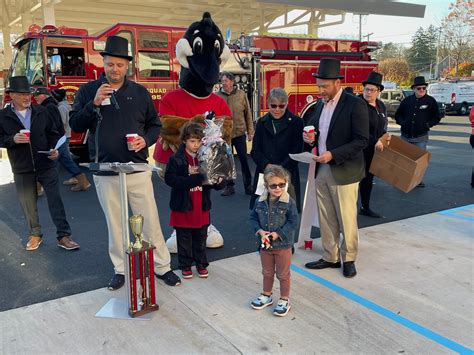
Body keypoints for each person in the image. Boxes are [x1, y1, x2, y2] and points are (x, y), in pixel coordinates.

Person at [69, 36, 180, 290]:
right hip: (105, 170)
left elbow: (155, 125)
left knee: (149, 219)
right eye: (110, 64)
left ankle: (161, 266)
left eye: (119, 65)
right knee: (115, 223)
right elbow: (75, 124)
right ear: (103, 63)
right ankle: (121, 269)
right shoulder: (88, 91)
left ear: (127, 66)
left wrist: (145, 141)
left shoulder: (140, 93)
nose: (114, 69)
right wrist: (94, 102)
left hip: (137, 168)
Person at [303, 58, 368, 278]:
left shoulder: (355, 104)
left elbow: (361, 140)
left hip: (345, 170)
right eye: (319, 85)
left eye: (324, 86)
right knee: (326, 216)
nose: (320, 90)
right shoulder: (321, 104)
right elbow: (319, 132)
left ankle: (349, 258)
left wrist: (333, 154)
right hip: (322, 169)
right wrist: (310, 138)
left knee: (346, 217)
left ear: (337, 83)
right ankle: (330, 256)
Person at [0, 76, 80, 251]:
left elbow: (53, 133)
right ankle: (35, 235)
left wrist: (54, 149)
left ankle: (64, 236)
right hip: (22, 167)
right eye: (22, 94)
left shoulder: (41, 111)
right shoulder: (3, 116)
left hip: (46, 163)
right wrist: (12, 139)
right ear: (11, 95)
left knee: (55, 201)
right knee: (28, 203)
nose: (27, 97)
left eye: (28, 93)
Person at [165, 122, 225, 279]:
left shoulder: (205, 158)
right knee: (183, 239)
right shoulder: (176, 159)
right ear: (184, 140)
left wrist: (220, 180)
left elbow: (215, 185)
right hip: (183, 206)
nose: (196, 144)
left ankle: (201, 264)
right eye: (192, 141)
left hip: (201, 205)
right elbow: (171, 180)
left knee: (200, 237)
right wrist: (194, 177)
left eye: (199, 141)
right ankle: (185, 265)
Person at [249, 165, 298, 317]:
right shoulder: (260, 201)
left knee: (283, 274)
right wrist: (259, 231)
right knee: (267, 272)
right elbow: (252, 218)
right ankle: (266, 295)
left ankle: (284, 299)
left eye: (282, 185)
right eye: (273, 185)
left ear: (286, 184)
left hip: (283, 245)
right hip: (265, 245)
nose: (278, 188)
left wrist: (278, 234)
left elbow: (293, 221)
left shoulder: (289, 202)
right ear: (266, 186)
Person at [250, 87, 304, 212]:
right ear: (268, 104)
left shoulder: (297, 122)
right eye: (273, 106)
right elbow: (255, 150)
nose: (277, 109)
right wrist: (266, 165)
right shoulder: (261, 123)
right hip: (265, 173)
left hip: (287, 174)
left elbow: (297, 151)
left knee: (286, 213)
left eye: (281, 106)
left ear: (286, 104)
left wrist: (280, 170)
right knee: (262, 211)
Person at [34, 87, 91, 191]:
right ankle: (82, 181)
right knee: (64, 160)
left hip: (55, 140)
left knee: (49, 163)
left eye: (37, 95)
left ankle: (38, 187)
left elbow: (52, 125)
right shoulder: (52, 105)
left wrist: (49, 140)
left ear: (44, 95)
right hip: (59, 138)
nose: (35, 97)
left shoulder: (48, 107)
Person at [395, 76, 441, 188]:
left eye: (424, 88)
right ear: (414, 89)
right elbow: (398, 115)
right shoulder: (406, 101)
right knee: (404, 159)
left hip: (421, 137)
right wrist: (402, 122)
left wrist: (428, 124)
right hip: (405, 136)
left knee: (419, 161)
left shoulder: (430, 101)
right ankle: (403, 179)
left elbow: (437, 116)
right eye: (419, 88)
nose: (421, 90)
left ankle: (418, 180)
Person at [217, 72, 254, 196]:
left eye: (226, 81)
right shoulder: (217, 97)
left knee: (244, 160)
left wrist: (250, 131)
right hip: (224, 135)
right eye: (222, 81)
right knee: (227, 161)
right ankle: (229, 186)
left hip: (239, 133)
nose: (224, 83)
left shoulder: (241, 95)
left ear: (232, 82)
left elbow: (248, 114)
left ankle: (248, 186)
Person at [359, 72, 388, 218]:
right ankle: (349, 210)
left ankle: (365, 206)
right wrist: (374, 140)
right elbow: (359, 129)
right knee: (356, 179)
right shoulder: (358, 104)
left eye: (372, 90)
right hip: (359, 150)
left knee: (368, 179)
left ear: (378, 92)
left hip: (375, 150)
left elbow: (383, 126)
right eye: (366, 89)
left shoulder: (380, 106)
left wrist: (384, 137)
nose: (368, 93)